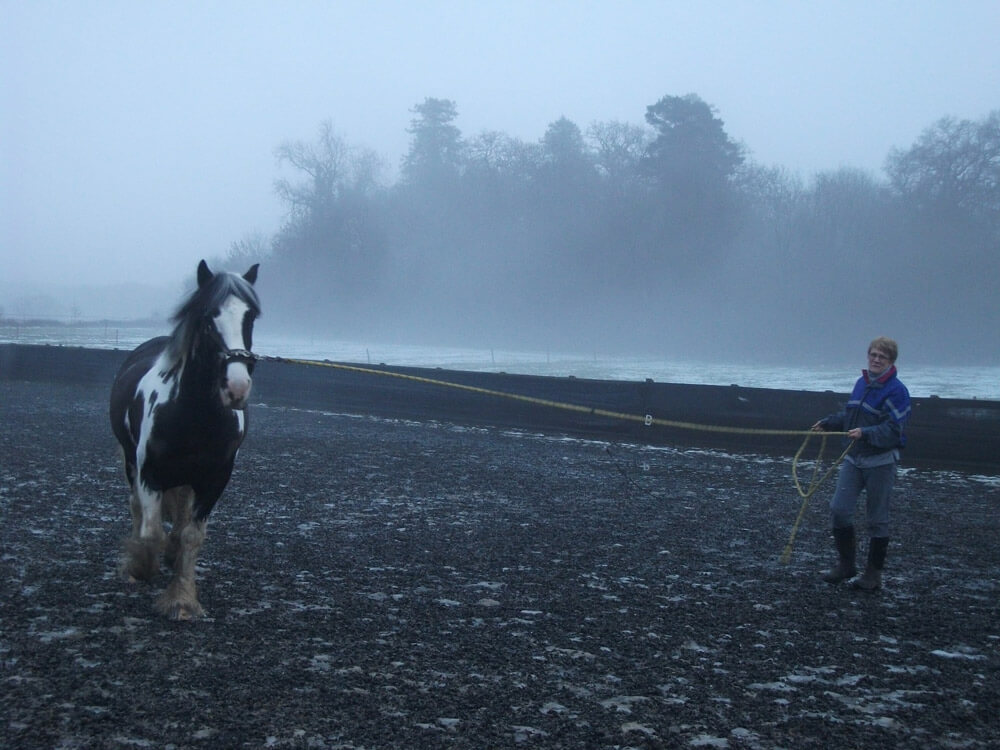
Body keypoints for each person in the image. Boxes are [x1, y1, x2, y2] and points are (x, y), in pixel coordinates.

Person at [811, 337, 911, 591]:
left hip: (881, 462)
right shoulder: (861, 384)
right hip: (854, 459)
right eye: (873, 355)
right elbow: (851, 415)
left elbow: (893, 430)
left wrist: (866, 433)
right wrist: (829, 422)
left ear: (891, 362)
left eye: (882, 357)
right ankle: (846, 566)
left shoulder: (897, 391)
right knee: (839, 509)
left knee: (877, 519)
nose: (876, 360)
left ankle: (873, 576)